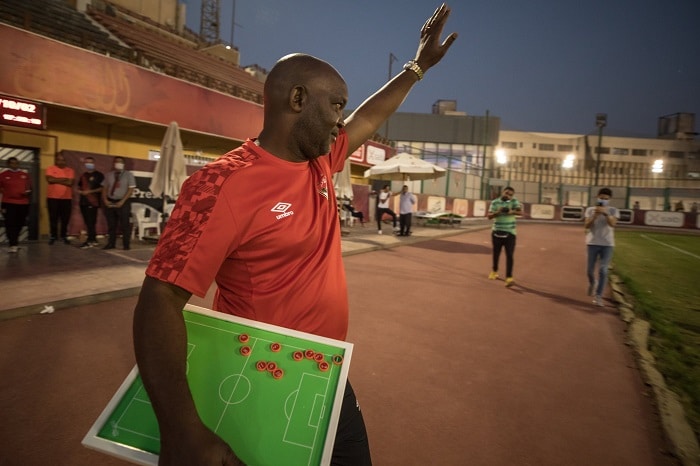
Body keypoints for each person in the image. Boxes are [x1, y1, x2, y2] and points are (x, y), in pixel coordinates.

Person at [132, 5, 456, 465]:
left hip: (325, 369)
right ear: (299, 99)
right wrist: (181, 429)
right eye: (336, 105)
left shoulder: (320, 159)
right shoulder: (223, 184)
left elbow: (371, 116)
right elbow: (159, 299)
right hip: (260, 373)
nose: (343, 120)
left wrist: (417, 67)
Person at [584, 187, 619, 307]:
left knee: (603, 270)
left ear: (609, 199)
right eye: (601, 198)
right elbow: (587, 226)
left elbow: (612, 224)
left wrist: (605, 213)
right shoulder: (590, 210)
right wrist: (594, 216)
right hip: (592, 243)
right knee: (589, 271)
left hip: (607, 244)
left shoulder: (613, 210)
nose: (603, 200)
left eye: (606, 199)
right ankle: (593, 283)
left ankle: (598, 296)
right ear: (597, 197)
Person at [487, 186, 522, 287]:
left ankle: (509, 277)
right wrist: (498, 211)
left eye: (511, 195)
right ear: (502, 192)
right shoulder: (494, 202)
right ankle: (494, 271)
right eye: (506, 193)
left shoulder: (515, 201)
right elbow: (489, 216)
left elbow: (520, 212)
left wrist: (511, 211)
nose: (508, 196)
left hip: (510, 233)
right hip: (496, 232)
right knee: (496, 253)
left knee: (510, 255)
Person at [101, 156, 136, 250]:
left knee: (125, 224)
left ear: (123, 164)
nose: (118, 163)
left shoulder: (129, 175)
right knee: (111, 224)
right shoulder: (109, 175)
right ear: (114, 163)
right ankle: (111, 243)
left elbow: (131, 189)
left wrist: (122, 201)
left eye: (120, 162)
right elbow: (104, 188)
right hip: (110, 201)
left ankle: (126, 245)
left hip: (123, 202)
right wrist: (105, 200)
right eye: (116, 162)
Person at [0, 157, 32, 253]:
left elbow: (29, 188)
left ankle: (16, 243)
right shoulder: (3, 175)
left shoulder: (24, 175)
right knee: (10, 224)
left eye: (16, 163)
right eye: (12, 163)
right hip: (8, 203)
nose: (14, 165)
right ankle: (12, 244)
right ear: (8, 164)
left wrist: (27, 192)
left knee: (20, 223)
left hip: (23, 203)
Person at [45, 153, 75, 245]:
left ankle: (63, 236)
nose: (61, 162)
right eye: (59, 160)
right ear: (56, 160)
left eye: (63, 160)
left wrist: (56, 179)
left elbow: (70, 182)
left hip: (66, 198)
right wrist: (64, 179)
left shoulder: (70, 170)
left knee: (65, 219)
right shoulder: (50, 169)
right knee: (53, 218)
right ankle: (53, 236)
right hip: (52, 198)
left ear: (65, 161)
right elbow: (50, 180)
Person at [77, 156, 104, 248]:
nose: (89, 164)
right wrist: (80, 191)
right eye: (87, 162)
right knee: (87, 222)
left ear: (94, 163)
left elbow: (102, 188)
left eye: (91, 162)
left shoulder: (99, 175)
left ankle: (90, 240)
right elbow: (79, 187)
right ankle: (93, 239)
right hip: (83, 202)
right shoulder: (83, 175)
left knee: (91, 222)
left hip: (93, 202)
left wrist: (90, 192)